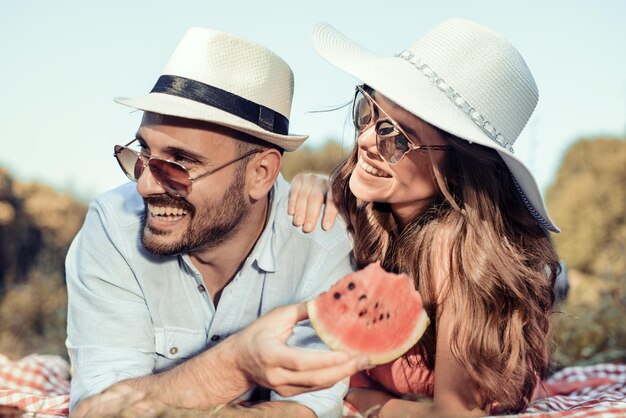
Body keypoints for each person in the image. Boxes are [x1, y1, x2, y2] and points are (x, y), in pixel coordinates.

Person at [65, 27, 368, 418]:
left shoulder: (322, 247)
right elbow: (98, 410)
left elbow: (305, 409)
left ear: (260, 173)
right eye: (143, 152)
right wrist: (237, 364)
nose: (143, 186)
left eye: (180, 163)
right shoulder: (112, 227)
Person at [289, 19, 561, 416]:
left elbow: (455, 414)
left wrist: (360, 401)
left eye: (397, 136)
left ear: (458, 168)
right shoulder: (364, 214)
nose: (365, 140)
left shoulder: (457, 255)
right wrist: (312, 184)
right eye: (367, 112)